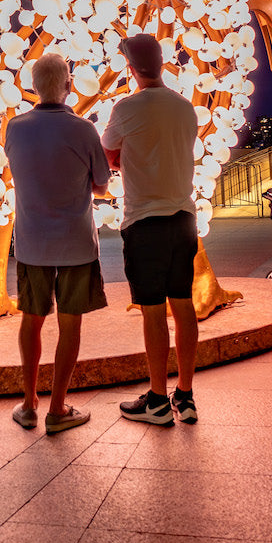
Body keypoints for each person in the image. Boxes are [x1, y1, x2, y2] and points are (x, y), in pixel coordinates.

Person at [3, 53, 110, 434]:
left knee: (31, 321)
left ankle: (30, 403)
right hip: (77, 243)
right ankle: (58, 409)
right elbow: (101, 185)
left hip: (32, 242)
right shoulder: (83, 130)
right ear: (68, 85)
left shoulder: (14, 128)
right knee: (70, 325)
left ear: (33, 87)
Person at [102, 33, 200, 425]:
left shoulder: (127, 108)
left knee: (153, 312)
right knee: (184, 304)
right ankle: (186, 396)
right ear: (162, 64)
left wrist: (128, 158)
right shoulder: (185, 107)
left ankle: (158, 401)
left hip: (145, 220)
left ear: (130, 68)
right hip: (184, 217)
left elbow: (108, 155)